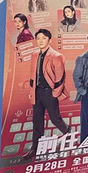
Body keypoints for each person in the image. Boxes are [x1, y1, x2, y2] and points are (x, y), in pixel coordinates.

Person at [24, 29, 69, 158]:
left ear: (49, 40)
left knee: (55, 118)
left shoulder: (56, 56)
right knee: (37, 121)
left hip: (49, 92)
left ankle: (67, 131)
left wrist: (54, 94)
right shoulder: (34, 55)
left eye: (43, 38)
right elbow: (32, 75)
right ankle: (35, 148)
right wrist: (31, 91)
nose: (40, 41)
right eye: (38, 38)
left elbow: (60, 78)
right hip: (36, 92)